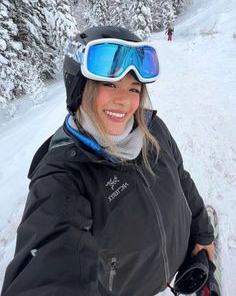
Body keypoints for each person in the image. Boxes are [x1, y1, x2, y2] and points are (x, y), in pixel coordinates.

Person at [1, 26, 214, 296]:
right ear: (80, 88)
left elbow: (181, 177)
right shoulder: (62, 173)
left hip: (176, 261)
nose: (124, 100)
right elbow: (50, 261)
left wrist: (202, 232)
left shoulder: (152, 128)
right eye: (109, 85)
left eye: (134, 89)